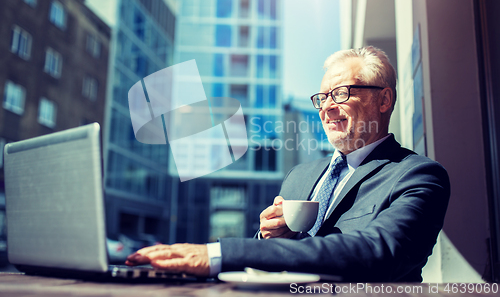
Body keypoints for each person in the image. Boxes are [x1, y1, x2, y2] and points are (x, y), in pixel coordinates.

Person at [126, 46, 450, 282]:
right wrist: (268, 237)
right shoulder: (300, 175)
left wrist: (221, 254)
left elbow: (380, 253)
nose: (326, 108)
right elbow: (269, 256)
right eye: (322, 98)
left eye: (340, 93)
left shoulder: (418, 175)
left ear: (384, 100)